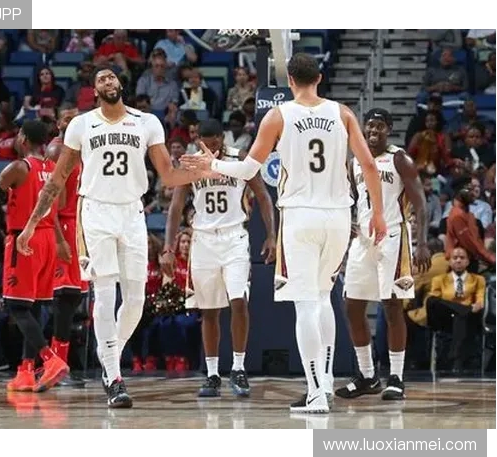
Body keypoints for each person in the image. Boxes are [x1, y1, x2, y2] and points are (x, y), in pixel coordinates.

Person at [180, 53, 387, 414]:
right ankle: (324, 383)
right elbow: (368, 164)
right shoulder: (343, 113)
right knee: (323, 298)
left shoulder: (278, 115)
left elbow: (248, 169)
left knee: (306, 303)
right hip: (339, 216)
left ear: (290, 80)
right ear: (319, 78)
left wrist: (212, 164)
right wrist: (379, 214)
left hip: (300, 216)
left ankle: (316, 393)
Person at [15, 65, 205, 408]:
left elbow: (167, 175)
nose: (107, 81)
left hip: (132, 212)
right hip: (96, 212)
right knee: (104, 294)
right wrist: (31, 225)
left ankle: (109, 357)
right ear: (95, 90)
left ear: (120, 83)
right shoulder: (81, 124)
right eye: (101, 78)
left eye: (111, 77)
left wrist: (203, 170)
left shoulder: (147, 122)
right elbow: (56, 181)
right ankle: (115, 378)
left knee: (136, 300)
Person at [163, 119, 276, 398]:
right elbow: (176, 206)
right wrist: (168, 247)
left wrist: (272, 235)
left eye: (215, 143)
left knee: (239, 301)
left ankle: (238, 368)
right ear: (198, 140)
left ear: (222, 139)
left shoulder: (239, 159)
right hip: (203, 240)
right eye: (205, 142)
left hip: (234, 237)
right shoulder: (192, 164)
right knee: (209, 310)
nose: (210, 147)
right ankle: (212, 374)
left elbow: (263, 196)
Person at [335, 109, 431, 401]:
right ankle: (367, 376)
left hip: (393, 238)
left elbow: (420, 203)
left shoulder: (400, 159)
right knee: (352, 306)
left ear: (389, 129)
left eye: (379, 126)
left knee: (391, 306)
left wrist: (422, 243)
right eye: (370, 126)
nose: (373, 131)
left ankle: (397, 378)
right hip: (363, 240)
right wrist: (348, 223)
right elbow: (351, 200)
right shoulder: (355, 161)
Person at [0, 120, 69, 393]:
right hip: (47, 238)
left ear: (23, 138)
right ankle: (25, 371)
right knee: (32, 307)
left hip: (24, 238)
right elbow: (59, 204)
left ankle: (50, 360)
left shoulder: (19, 167)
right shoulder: (52, 168)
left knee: (16, 306)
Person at [45, 104, 89, 387]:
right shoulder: (57, 150)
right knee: (63, 299)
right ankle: (55, 365)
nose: (72, 122)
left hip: (79, 225)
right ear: (58, 123)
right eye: (67, 118)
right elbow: (52, 200)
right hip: (62, 225)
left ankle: (58, 364)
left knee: (72, 300)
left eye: (76, 119)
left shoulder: (81, 150)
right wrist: (59, 238)